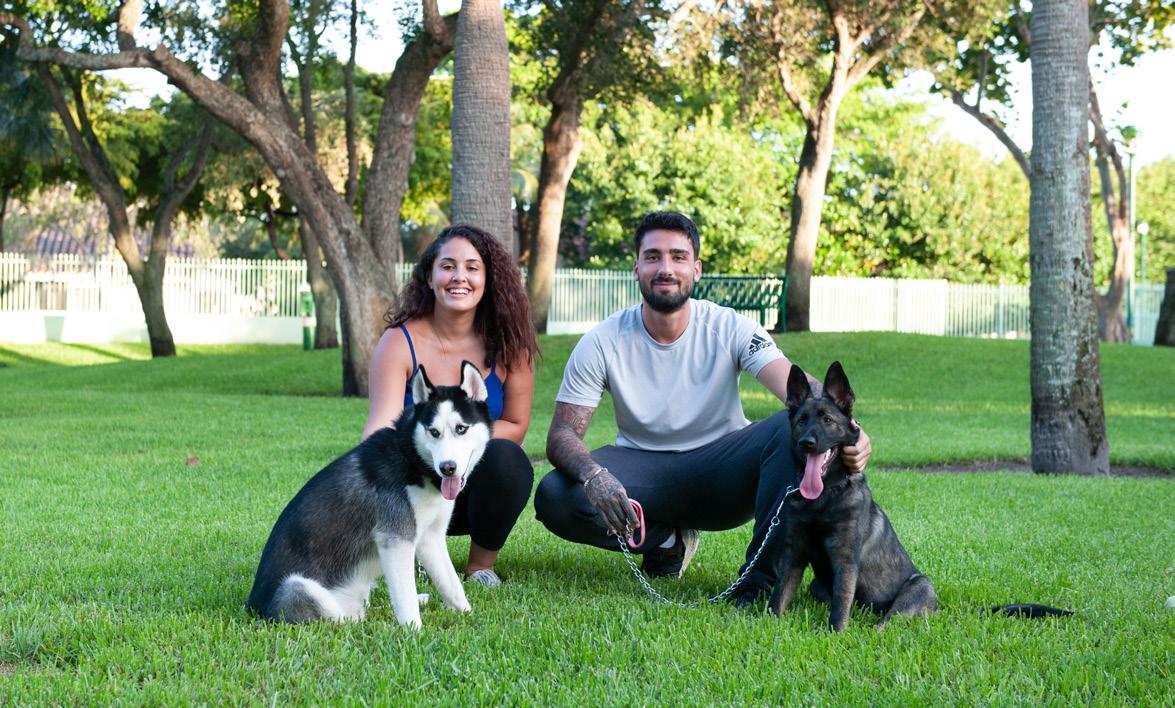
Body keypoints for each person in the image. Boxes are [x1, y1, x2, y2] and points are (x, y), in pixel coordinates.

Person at [533, 211, 872, 606]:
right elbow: (562, 434)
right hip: (644, 473)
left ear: (696, 269)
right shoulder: (601, 341)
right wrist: (595, 476)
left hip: (724, 475)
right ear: (636, 268)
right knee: (555, 494)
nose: (665, 268)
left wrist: (851, 428)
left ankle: (757, 581)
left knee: (788, 426)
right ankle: (666, 543)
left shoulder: (730, 326)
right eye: (653, 256)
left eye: (678, 257)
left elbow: (799, 389)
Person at [364, 224, 540, 587]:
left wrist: (456, 442)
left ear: (488, 279)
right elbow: (379, 429)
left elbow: (516, 425)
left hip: (471, 490)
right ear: (429, 278)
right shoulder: (399, 342)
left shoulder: (512, 346)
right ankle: (406, 547)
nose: (459, 277)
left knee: (510, 459)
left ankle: (480, 567)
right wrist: (433, 448)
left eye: (472, 268)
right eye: (447, 266)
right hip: (413, 486)